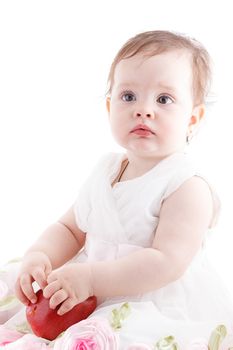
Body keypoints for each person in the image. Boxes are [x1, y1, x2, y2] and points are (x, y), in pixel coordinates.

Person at [1, 30, 233, 349]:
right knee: (17, 298)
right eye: (128, 96)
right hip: (85, 291)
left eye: (163, 99)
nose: (143, 109)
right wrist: (40, 255)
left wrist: (93, 279)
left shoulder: (187, 186)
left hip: (150, 303)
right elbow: (69, 228)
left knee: (118, 338)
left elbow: (167, 262)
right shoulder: (106, 171)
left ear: (193, 118)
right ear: (109, 107)